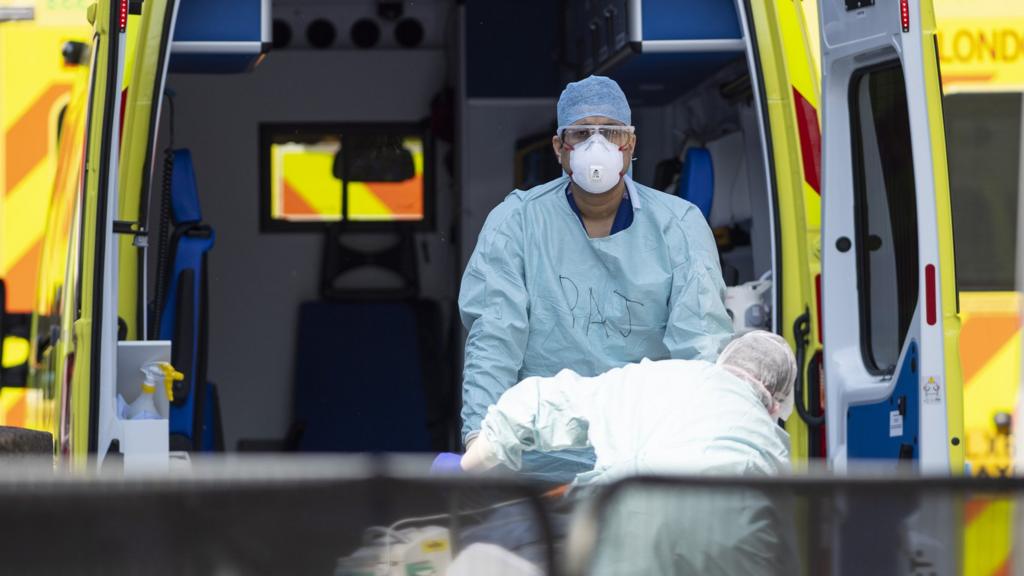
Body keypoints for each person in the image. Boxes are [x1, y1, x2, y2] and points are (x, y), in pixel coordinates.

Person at [456, 75, 733, 483]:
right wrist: (480, 437)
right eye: (582, 133)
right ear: (560, 149)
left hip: (644, 458)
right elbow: (494, 339)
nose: (596, 146)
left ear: (630, 145)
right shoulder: (518, 223)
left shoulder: (679, 226)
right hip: (539, 459)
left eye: (611, 132)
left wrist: (707, 447)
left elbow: (702, 348)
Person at [460, 331, 795, 484]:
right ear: (775, 406)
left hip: (619, 529)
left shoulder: (659, 378)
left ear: (723, 362)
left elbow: (540, 404)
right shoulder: (773, 450)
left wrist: (473, 461)